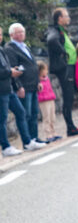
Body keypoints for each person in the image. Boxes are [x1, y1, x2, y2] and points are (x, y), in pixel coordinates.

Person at [0, 26, 43, 156]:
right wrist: (10, 72)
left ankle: (27, 141)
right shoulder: (8, 49)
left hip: (9, 88)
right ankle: (6, 147)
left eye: (0, 34)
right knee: (2, 119)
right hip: (2, 90)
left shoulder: (1, 50)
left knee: (21, 112)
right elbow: (6, 71)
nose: (0, 37)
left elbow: (8, 68)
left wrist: (15, 81)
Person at [46, 8, 78, 136]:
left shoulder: (62, 30)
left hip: (71, 66)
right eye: (66, 16)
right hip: (65, 67)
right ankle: (70, 127)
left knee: (73, 95)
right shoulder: (54, 30)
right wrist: (63, 52)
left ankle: (73, 125)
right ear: (59, 19)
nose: (68, 18)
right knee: (68, 97)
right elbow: (51, 40)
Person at [37, 61, 58, 141]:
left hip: (50, 98)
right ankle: (48, 134)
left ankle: (53, 131)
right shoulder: (38, 81)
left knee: (52, 116)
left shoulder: (47, 79)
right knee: (46, 117)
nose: (47, 71)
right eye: (45, 70)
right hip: (44, 100)